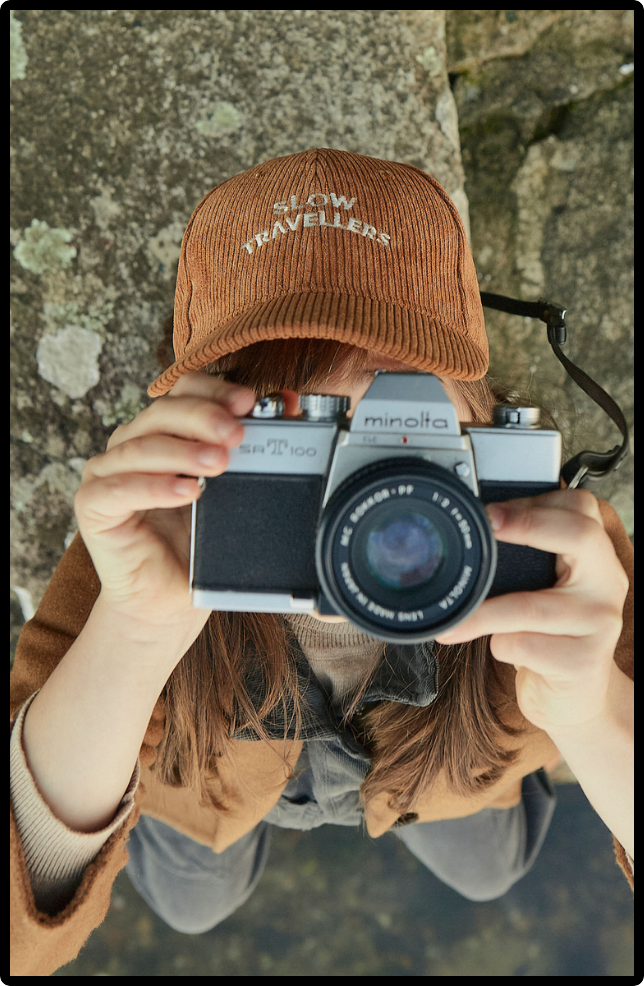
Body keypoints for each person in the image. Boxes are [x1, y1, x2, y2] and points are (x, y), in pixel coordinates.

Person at [10, 149, 633, 976]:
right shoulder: (156, 542)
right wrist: (130, 634)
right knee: (196, 902)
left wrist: (594, 712)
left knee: (490, 867)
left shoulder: (550, 548)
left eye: (400, 441)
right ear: (208, 425)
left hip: (445, 783)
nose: (369, 512)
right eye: (304, 434)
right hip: (209, 801)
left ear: (478, 425)